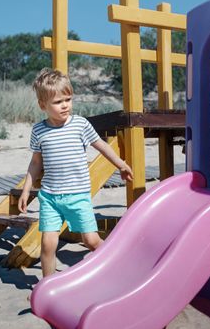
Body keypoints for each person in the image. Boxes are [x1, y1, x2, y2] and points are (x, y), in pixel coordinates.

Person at [18, 68, 133, 277]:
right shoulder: (39, 131)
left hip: (78, 196)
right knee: (48, 244)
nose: (65, 105)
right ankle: (48, 286)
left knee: (90, 240)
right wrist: (26, 190)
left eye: (68, 99)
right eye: (58, 102)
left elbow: (102, 145)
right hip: (50, 197)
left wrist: (120, 164)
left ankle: (117, 264)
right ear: (42, 105)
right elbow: (35, 163)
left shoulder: (80, 124)